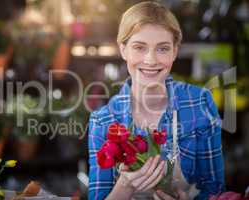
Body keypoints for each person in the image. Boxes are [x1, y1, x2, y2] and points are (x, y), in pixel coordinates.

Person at [88, 1, 225, 200]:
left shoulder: (199, 103)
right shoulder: (103, 120)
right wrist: (125, 186)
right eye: (139, 47)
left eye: (162, 49)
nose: (151, 60)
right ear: (123, 49)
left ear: (175, 51)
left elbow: (216, 189)